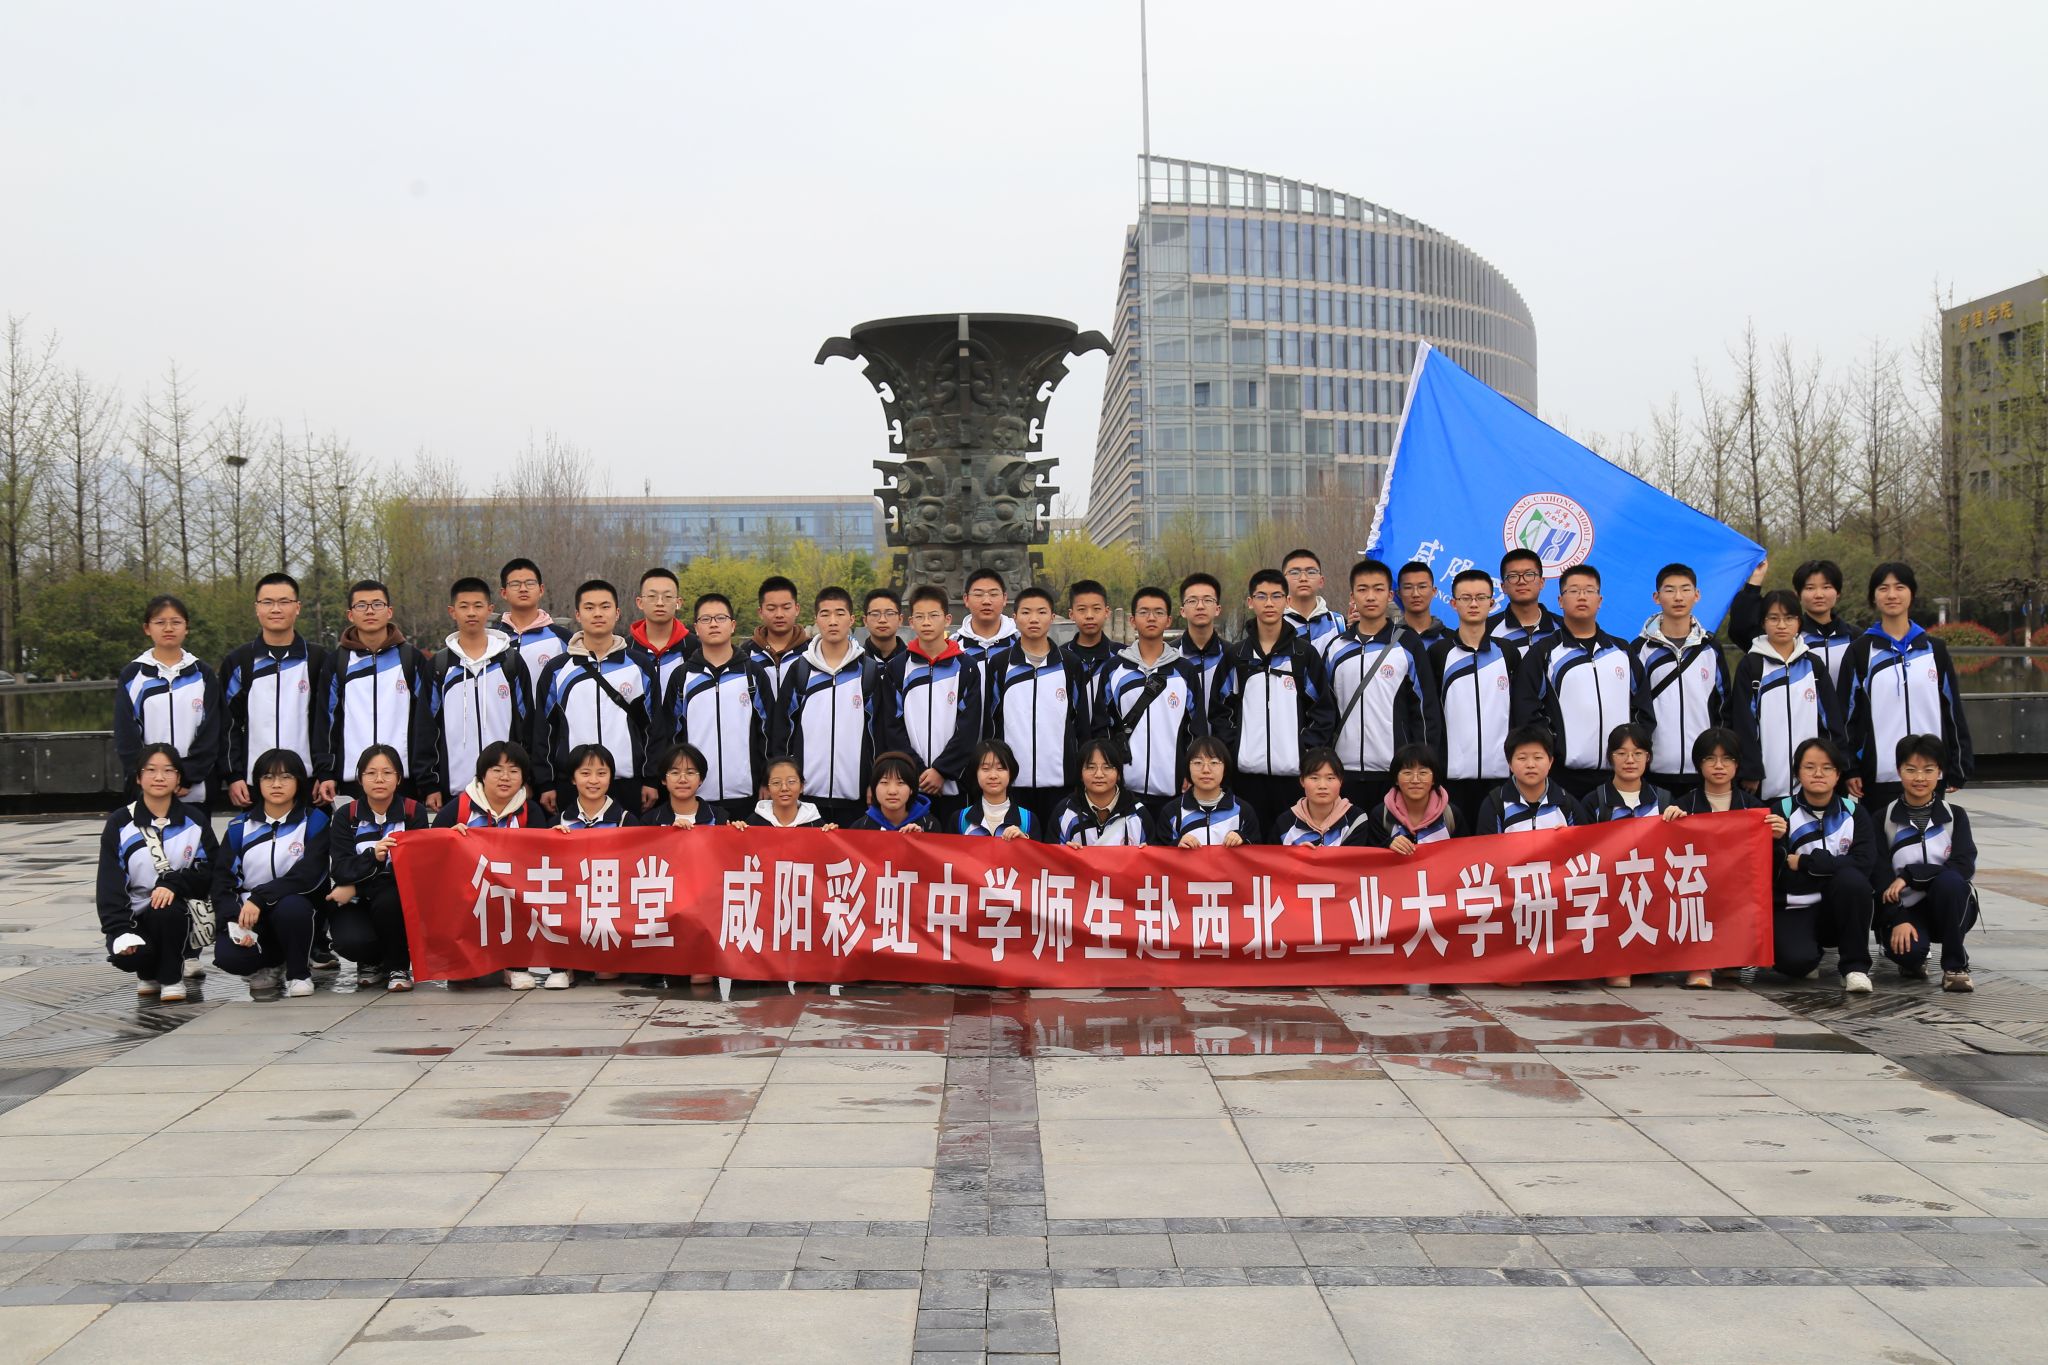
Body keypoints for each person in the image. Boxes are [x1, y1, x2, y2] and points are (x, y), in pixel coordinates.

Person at [1840, 561, 1973, 811]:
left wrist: (1959, 763)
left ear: (1911, 593)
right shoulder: (1860, 651)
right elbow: (1846, 716)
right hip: (1878, 774)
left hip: (1929, 772)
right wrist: (1850, 768)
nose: (1892, 595)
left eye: (1899, 587)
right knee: (1880, 834)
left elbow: (1952, 711)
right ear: (1873, 597)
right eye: (1883, 588)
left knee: (1928, 834)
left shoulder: (1935, 650)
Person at [1514, 565, 1651, 800]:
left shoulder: (1622, 651)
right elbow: (1526, 709)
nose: (1581, 596)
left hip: (1619, 775)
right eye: (1574, 591)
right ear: (1560, 600)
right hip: (1564, 777)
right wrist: (1556, 745)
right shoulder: (1544, 653)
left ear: (1599, 600)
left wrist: (1633, 747)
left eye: (1589, 590)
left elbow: (1644, 708)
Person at [532, 579, 664, 815]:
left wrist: (651, 779)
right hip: (572, 784)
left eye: (605, 606)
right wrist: (545, 783)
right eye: (589, 607)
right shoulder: (557, 670)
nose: (598, 614)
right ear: (578, 615)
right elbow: (544, 730)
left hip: (628, 784)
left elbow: (654, 728)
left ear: (617, 613)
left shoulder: (639, 666)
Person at [435, 740, 559, 990]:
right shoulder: (459, 808)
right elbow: (431, 851)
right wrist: (447, 838)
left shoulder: (530, 811)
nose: (505, 777)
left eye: (514, 771)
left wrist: (559, 839)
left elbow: (542, 856)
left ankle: (517, 965)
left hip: (515, 890)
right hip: (469, 891)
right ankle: (464, 962)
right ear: (482, 774)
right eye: (497, 770)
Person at [1217, 568, 1335, 830]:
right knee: (1248, 843)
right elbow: (1220, 711)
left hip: (1293, 776)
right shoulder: (1237, 656)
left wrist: (1304, 749)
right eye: (1261, 596)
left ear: (1287, 601)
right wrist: (1235, 748)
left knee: (1290, 844)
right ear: (1250, 602)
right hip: (1246, 776)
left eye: (1276, 596)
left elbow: (1323, 710)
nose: (1269, 603)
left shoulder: (1303, 655)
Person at [98, 743, 217, 1002]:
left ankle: (172, 978)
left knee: (167, 909)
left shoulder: (195, 821)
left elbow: (211, 872)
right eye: (150, 770)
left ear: (178, 778)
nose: (159, 777)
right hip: (134, 914)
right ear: (138, 777)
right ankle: (147, 972)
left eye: (168, 770)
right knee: (132, 955)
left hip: (178, 913)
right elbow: (109, 883)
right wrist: (119, 929)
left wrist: (173, 884)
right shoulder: (120, 823)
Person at [213, 747, 331, 999]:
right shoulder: (239, 827)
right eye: (268, 777)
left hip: (295, 907)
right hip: (249, 912)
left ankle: (298, 972)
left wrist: (261, 897)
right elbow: (222, 882)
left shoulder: (315, 821)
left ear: (299, 781)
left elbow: (308, 875)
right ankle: (269, 963)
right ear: (257, 782)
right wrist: (234, 921)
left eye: (286, 777)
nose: (276, 784)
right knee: (230, 958)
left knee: (293, 908)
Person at [1324, 559, 1436, 811]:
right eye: (1363, 589)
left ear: (1390, 595)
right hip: (1343, 771)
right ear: (1352, 596)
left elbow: (1424, 711)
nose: (1371, 596)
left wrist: (1422, 764)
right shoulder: (1336, 648)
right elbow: (1325, 710)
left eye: (1378, 589)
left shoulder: (1408, 645)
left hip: (1395, 771)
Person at [1772, 736, 1877, 992]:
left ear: (1838, 774)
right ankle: (1810, 954)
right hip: (1796, 904)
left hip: (1839, 904)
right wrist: (1831, 869)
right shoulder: (1781, 811)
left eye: (1827, 767)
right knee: (1794, 963)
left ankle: (1855, 968)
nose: (1818, 773)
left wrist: (1805, 862)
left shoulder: (1854, 812)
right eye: (1809, 767)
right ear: (1797, 772)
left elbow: (1863, 864)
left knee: (1853, 883)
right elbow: (1778, 869)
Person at [1875, 734, 1978, 992]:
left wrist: (1910, 875)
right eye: (1911, 770)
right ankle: (1912, 959)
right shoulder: (1883, 819)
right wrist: (1897, 917)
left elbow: (1963, 865)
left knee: (1951, 881)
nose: (1919, 778)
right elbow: (1878, 875)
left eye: (1928, 770)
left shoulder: (1955, 816)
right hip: (1905, 908)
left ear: (1939, 772)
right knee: (1909, 953)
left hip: (1947, 905)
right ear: (1899, 771)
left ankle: (1955, 966)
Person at [219, 572, 330, 809]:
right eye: (268, 602)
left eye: (284, 602)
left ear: (297, 607)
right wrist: (233, 775)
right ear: (257, 608)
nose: (276, 609)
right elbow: (227, 724)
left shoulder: (318, 659)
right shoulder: (239, 661)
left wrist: (325, 772)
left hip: (309, 783)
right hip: (254, 782)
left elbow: (328, 722)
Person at [1093, 586, 1205, 814]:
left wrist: (1190, 770)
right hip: (1123, 786)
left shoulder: (1184, 671)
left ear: (1169, 620)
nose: (1151, 618)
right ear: (1133, 620)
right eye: (1144, 612)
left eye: (1158, 612)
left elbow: (1196, 729)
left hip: (1173, 786)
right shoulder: (1115, 669)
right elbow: (1101, 727)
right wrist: (1107, 771)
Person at [322, 578, 436, 804]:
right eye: (361, 605)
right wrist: (326, 772)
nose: (369, 611)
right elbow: (326, 722)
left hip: (403, 779)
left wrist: (427, 779)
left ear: (389, 611)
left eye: (377, 604)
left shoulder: (411, 659)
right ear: (350, 615)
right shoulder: (338, 662)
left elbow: (426, 722)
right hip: (352, 779)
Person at [326, 743, 427, 992]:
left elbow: (417, 868)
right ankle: (370, 961)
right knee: (350, 941)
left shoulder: (413, 812)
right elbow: (340, 869)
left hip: (396, 897)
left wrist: (357, 888)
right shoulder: (346, 815)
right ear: (360, 779)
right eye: (371, 773)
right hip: (356, 902)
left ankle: (398, 966)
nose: (379, 779)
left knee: (389, 899)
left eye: (387, 773)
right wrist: (373, 857)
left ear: (398, 778)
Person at [779, 587, 884, 827]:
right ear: (816, 619)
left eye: (840, 613)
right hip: (805, 795)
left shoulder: (868, 671)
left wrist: (876, 780)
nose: (833, 621)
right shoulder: (801, 670)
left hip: (856, 795)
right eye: (825, 614)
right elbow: (783, 730)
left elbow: (879, 732)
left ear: (852, 619)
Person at [986, 586, 1087, 831]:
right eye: (1026, 612)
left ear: (1052, 617)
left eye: (1041, 612)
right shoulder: (1000, 664)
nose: (1033, 619)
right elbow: (990, 721)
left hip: (1060, 781)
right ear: (1014, 617)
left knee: (1057, 845)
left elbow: (1081, 722)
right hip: (1012, 781)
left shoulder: (1069, 664)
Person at [1428, 568, 1522, 830]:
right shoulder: (1439, 653)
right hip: (1452, 776)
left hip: (1501, 774)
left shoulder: (1508, 653)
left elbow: (1518, 710)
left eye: (1481, 597)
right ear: (1453, 603)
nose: (1473, 604)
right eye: (1465, 598)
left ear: (1492, 603)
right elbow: (1430, 713)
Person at [1733, 589, 1846, 802]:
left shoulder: (1813, 665)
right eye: (1774, 618)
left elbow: (1831, 722)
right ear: (1763, 622)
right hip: (1766, 782)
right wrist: (1751, 770)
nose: (1782, 625)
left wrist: (1837, 765)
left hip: (1811, 783)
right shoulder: (1752, 665)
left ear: (1799, 622)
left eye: (1789, 618)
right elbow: (1743, 723)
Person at [431, 576, 533, 814]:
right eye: (464, 606)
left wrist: (528, 779)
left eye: (478, 606)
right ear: (452, 611)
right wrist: (430, 784)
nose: (471, 613)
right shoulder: (440, 665)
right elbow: (428, 728)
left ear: (490, 609)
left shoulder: (510, 662)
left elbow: (527, 724)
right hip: (455, 790)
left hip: (507, 789)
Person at [667, 591, 772, 822]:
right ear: (696, 628)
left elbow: (769, 731)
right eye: (706, 619)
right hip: (694, 794)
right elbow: (668, 734)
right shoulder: (682, 677)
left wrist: (768, 778)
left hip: (746, 793)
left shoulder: (752, 674)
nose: (713, 624)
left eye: (721, 618)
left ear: (732, 625)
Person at [880, 585, 980, 826]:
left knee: (953, 844)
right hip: (910, 782)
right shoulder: (897, 668)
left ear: (947, 619)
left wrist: (942, 771)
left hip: (955, 783)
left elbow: (969, 727)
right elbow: (892, 726)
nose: (927, 622)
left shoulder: (966, 667)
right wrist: (915, 770)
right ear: (911, 622)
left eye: (934, 615)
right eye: (920, 617)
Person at [1633, 563, 1729, 796]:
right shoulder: (1639, 649)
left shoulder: (1710, 648)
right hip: (1653, 770)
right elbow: (1632, 707)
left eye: (1685, 589)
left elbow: (1724, 707)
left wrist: (1719, 754)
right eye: (1670, 590)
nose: (1678, 597)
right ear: (1657, 597)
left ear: (1697, 595)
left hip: (1704, 770)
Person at [116, 594, 221, 806]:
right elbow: (126, 734)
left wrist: (188, 776)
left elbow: (212, 730)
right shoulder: (133, 675)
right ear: (147, 628)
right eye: (160, 622)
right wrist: (148, 775)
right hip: (148, 789)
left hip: (194, 788)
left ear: (186, 627)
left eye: (176, 622)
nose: (168, 628)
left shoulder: (202, 674)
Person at [1727, 557, 1858, 691]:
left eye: (1826, 587)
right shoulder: (1785, 636)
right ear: (1798, 594)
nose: (1819, 594)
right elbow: (1740, 629)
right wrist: (1755, 580)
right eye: (1810, 588)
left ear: (1838, 592)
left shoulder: (1856, 638)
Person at [1475, 726, 1587, 834]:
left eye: (1538, 757)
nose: (1530, 765)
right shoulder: (1495, 805)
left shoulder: (1567, 804)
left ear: (1550, 762)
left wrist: (1569, 839)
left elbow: (1585, 844)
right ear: (1510, 764)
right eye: (1522, 758)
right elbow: (1488, 846)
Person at [1158, 735, 1261, 846]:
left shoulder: (1243, 811)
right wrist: (1177, 844)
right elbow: (1158, 852)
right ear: (1188, 767)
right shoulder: (1172, 812)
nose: (1206, 770)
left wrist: (1243, 840)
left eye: (1214, 762)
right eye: (1198, 763)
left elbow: (1257, 851)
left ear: (1225, 768)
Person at [1054, 739, 1154, 846]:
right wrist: (1064, 852)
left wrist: (1147, 852)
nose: (1099, 774)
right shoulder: (1065, 812)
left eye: (1107, 767)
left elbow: (1154, 853)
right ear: (1080, 774)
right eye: (1091, 767)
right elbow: (1050, 854)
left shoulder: (1138, 814)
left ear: (1119, 773)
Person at [1361, 742, 1459, 850]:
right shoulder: (1381, 815)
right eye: (1407, 773)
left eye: (1423, 773)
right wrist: (1387, 845)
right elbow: (1371, 855)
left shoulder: (1450, 815)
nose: (1415, 780)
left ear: (1434, 779)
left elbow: (1464, 853)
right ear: (1396, 779)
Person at [1271, 746, 1375, 846]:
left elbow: (1352, 858)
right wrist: (1297, 854)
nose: (1322, 786)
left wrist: (1309, 855)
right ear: (1302, 781)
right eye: (1314, 778)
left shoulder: (1355, 819)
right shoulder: (1284, 823)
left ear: (1341, 781)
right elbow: (1274, 856)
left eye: (1330, 778)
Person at [492, 557, 571, 682]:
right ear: (504, 593)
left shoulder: (564, 639)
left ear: (541, 590)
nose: (523, 589)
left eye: (530, 583)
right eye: (515, 584)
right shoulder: (493, 639)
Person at [1582, 723, 1673, 823]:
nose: (1630, 760)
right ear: (1610, 757)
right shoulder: (1594, 802)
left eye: (1638, 753)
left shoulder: (1663, 800)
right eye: (1622, 753)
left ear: (1647, 757)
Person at [630, 567, 695, 700]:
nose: (660, 603)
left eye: (668, 597)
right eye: (652, 596)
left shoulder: (694, 648)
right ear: (640, 602)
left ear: (678, 603)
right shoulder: (625, 649)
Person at [954, 739, 1038, 838]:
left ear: (1011, 772)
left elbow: (1036, 849)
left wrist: (1024, 841)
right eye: (985, 769)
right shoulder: (960, 819)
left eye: (1000, 768)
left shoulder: (1028, 820)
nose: (993, 776)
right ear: (975, 773)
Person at [633, 741, 727, 829]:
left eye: (690, 773)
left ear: (701, 779)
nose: (682, 780)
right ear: (663, 779)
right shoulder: (650, 821)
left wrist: (734, 831)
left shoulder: (719, 817)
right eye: (675, 773)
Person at [748, 575, 810, 706]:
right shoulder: (746, 654)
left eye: (786, 608)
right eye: (771, 608)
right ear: (760, 612)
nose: (779, 614)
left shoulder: (812, 653)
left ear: (797, 609)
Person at [1486, 548, 1563, 649]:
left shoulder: (1564, 628)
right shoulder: (1486, 630)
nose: (1522, 581)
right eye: (1513, 576)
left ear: (1542, 582)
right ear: (1503, 587)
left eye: (1529, 575)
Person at [1177, 572, 1230, 714]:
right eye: (1192, 601)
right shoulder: (1170, 656)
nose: (1200, 606)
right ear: (1182, 611)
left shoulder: (1232, 655)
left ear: (1217, 609)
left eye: (1207, 600)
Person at [850, 750, 935, 832]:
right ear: (874, 788)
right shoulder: (860, 827)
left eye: (900, 783)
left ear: (911, 788)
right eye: (884, 782)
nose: (892, 791)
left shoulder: (929, 825)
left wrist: (919, 837)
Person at [955, 568, 1021, 674]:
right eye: (978, 594)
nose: (986, 601)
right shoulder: (953, 647)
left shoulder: (1021, 643)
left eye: (993, 594)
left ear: (1004, 598)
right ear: (966, 599)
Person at [1280, 547, 1343, 655]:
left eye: (1311, 572)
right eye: (1294, 572)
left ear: (1321, 581)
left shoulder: (1339, 624)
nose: (1303, 578)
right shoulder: (1273, 624)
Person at [555, 743, 630, 829]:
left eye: (601, 773)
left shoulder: (627, 821)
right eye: (585, 773)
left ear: (610, 777)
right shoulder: (559, 822)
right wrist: (554, 835)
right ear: (573, 778)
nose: (593, 781)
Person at [1064, 579, 1118, 691]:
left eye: (1096, 609)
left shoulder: (1122, 655)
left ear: (1106, 612)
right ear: (1071, 614)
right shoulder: (1060, 657)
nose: (1089, 616)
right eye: (1082, 609)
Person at [754, 754, 829, 829]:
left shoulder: (815, 823)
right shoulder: (755, 822)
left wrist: (830, 832)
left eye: (791, 781)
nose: (784, 788)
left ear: (801, 787)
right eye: (776, 782)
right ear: (767, 789)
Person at [1395, 560, 1449, 642]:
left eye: (1422, 587)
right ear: (1399, 593)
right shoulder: (1388, 640)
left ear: (1434, 591)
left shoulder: (1452, 640)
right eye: (1408, 588)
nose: (1415, 594)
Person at [861, 588, 906, 665]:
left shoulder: (913, 662)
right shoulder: (855, 662)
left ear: (900, 619)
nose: (882, 620)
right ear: (865, 620)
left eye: (890, 613)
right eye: (875, 614)